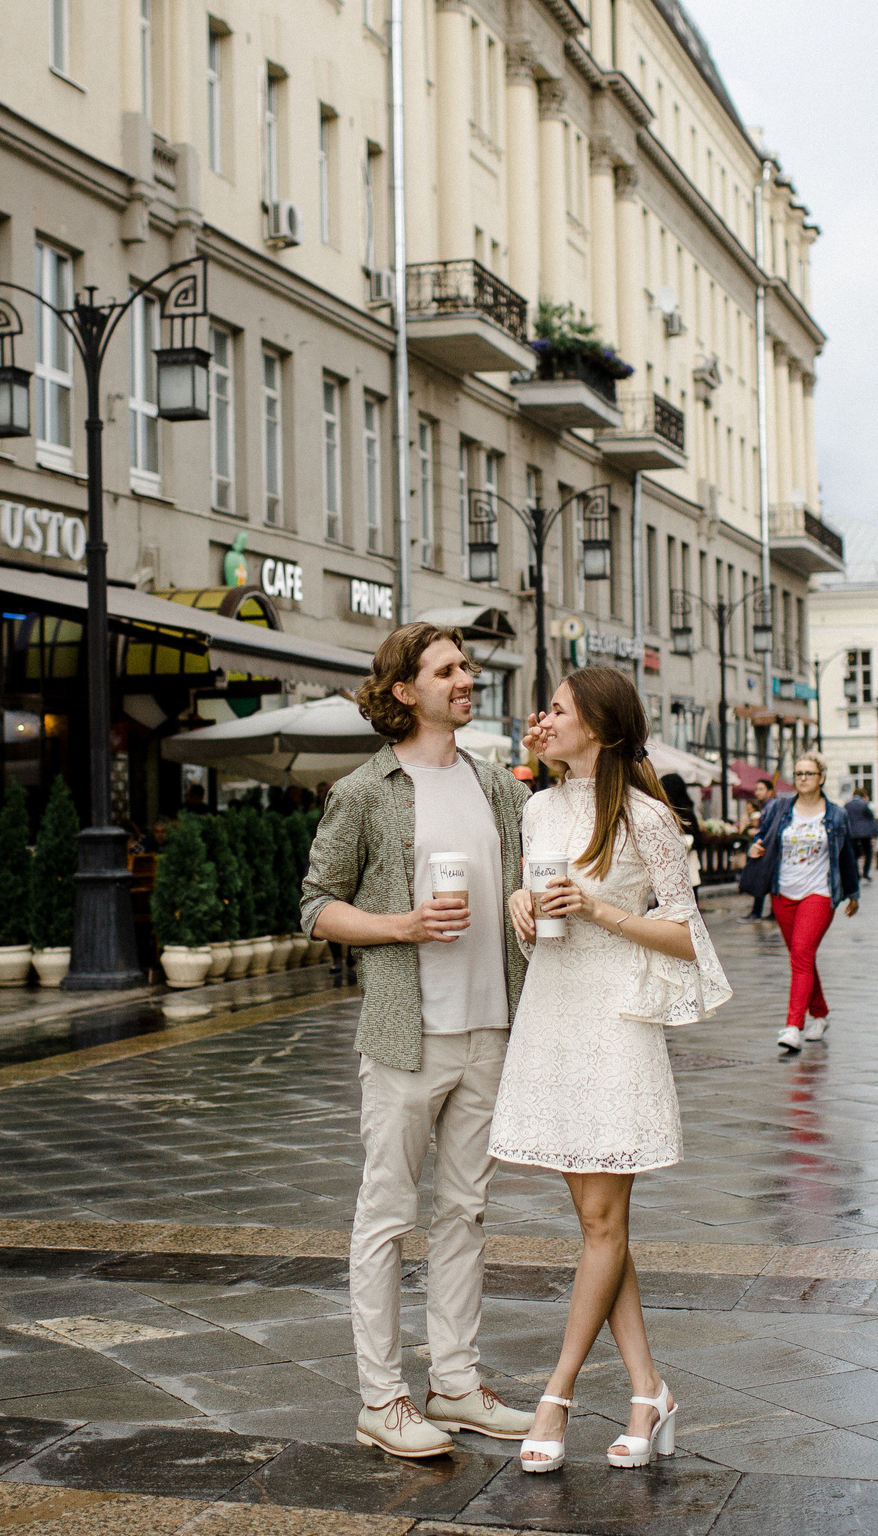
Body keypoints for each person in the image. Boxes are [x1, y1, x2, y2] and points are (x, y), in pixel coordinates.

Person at [301, 622, 538, 1459]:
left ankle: (458, 1383)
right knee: (386, 1215)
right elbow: (316, 904)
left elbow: (528, 881)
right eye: (448, 668)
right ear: (407, 690)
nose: (466, 677)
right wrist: (402, 923)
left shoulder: (498, 787)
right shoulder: (366, 791)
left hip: (489, 1028)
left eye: (467, 665)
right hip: (406, 1037)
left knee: (465, 1212)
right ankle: (382, 1398)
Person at [499, 668, 732, 1471]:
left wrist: (599, 908)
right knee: (603, 1227)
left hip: (614, 1023)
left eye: (557, 709)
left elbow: (687, 936)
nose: (544, 718)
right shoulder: (537, 807)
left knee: (602, 1225)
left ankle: (556, 1393)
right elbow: (535, 917)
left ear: (597, 724)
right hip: (553, 1014)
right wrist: (519, 909)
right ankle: (648, 1389)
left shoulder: (645, 817)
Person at [744, 752, 860, 1052]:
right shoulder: (780, 808)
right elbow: (761, 838)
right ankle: (819, 1014)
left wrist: (853, 893)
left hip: (818, 894)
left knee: (801, 954)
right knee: (802, 958)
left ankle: (793, 1026)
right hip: (782, 893)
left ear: (821, 777)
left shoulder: (836, 815)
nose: (803, 778)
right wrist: (754, 849)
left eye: (809, 773)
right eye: (798, 773)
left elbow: (846, 856)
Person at [737, 777, 779, 920]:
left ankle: (758, 912)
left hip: (766, 848)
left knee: (762, 879)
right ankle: (767, 912)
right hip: (766, 847)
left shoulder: (771, 806)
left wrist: (757, 834)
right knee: (766, 880)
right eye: (756, 789)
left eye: (761, 789)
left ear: (770, 791)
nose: (757, 792)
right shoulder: (767, 806)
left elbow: (769, 829)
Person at [844, 786, 878, 882]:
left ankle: (856, 873)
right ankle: (865, 872)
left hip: (853, 832)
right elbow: (871, 815)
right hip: (865, 833)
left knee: (854, 855)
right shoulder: (863, 804)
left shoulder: (847, 805)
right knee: (868, 853)